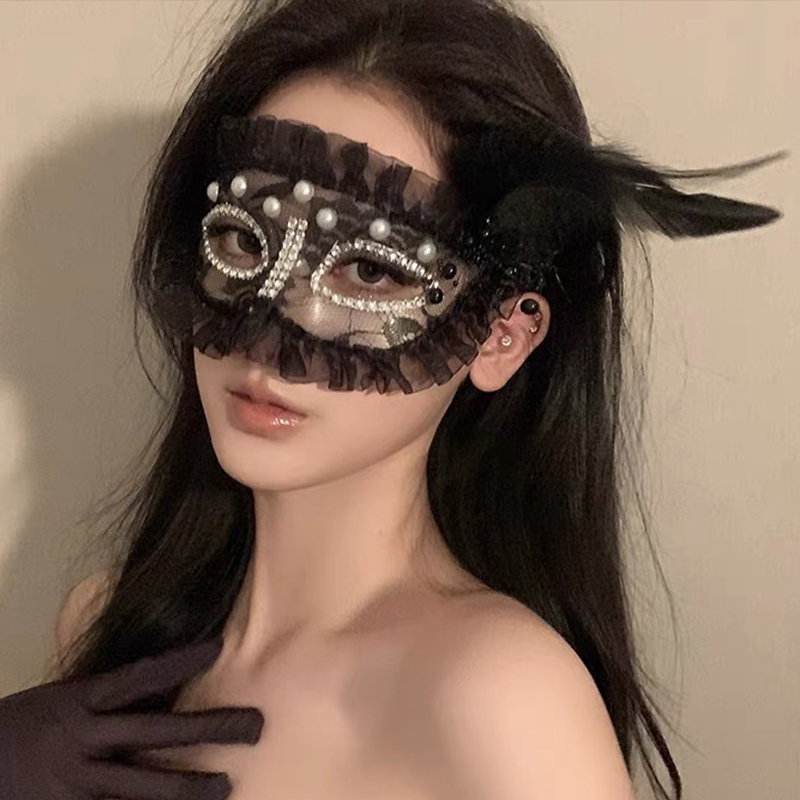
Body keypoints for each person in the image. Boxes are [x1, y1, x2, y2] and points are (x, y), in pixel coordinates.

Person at [1, 1, 784, 799]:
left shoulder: (503, 700)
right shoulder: (106, 625)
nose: (265, 336)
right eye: (243, 238)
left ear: (501, 336)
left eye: (370, 270)